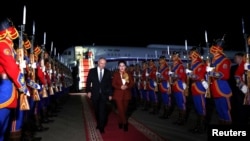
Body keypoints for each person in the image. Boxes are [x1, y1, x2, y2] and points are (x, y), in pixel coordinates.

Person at [0, 18, 30, 141]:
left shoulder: (9, 46)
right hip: (4, 92)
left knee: (3, 130)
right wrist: (23, 86)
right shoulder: (3, 45)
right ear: (6, 30)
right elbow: (12, 69)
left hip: (9, 89)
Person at [206, 38, 232, 124]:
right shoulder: (212, 60)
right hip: (214, 89)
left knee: (225, 111)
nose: (212, 48)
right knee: (219, 112)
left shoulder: (225, 60)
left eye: (214, 46)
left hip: (222, 88)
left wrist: (211, 72)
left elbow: (225, 75)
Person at [86, 57, 112, 134]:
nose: (103, 65)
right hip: (95, 94)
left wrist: (110, 94)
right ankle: (99, 123)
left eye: (104, 63)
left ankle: (101, 127)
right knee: (96, 111)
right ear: (98, 63)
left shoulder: (108, 72)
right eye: (101, 63)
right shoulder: (92, 71)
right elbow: (88, 82)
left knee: (102, 111)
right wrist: (88, 91)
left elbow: (109, 84)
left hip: (104, 95)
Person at [186, 47, 207, 133]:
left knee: (202, 109)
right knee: (198, 109)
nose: (190, 54)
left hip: (199, 88)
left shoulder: (199, 64)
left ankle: (201, 128)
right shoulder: (193, 64)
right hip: (195, 89)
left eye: (191, 52)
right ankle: (198, 126)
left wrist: (189, 74)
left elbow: (199, 77)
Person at [112, 60, 134, 131]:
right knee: (120, 109)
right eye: (120, 66)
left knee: (124, 110)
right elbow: (113, 84)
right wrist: (120, 87)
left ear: (125, 66)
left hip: (126, 94)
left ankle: (120, 121)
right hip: (118, 94)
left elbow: (132, 83)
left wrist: (127, 87)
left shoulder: (128, 74)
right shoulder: (116, 74)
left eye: (123, 66)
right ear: (118, 67)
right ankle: (125, 123)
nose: (121, 67)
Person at [169, 51, 187, 125]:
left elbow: (180, 76)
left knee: (182, 104)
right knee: (179, 104)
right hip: (175, 87)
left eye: (174, 56)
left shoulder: (180, 66)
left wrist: (172, 75)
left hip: (179, 86)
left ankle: (182, 120)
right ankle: (179, 118)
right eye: (172, 56)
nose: (173, 57)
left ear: (178, 57)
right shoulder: (173, 66)